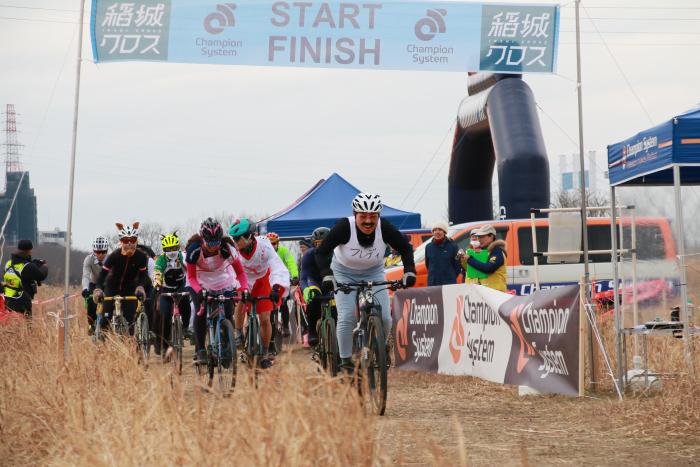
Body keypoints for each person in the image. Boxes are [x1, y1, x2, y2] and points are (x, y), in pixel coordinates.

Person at [315, 193, 416, 372]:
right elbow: (322, 252)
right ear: (355, 215)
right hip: (343, 272)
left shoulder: (384, 228)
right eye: (363, 216)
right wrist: (327, 275)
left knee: (385, 316)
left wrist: (409, 271)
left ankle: (381, 347)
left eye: (373, 216)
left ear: (379, 216)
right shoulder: (344, 227)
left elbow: (405, 248)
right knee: (347, 317)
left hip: (373, 272)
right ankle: (345, 360)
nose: (368, 221)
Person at [185, 218, 249, 364]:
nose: (214, 247)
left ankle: (226, 343)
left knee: (227, 310)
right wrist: (199, 291)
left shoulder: (227, 248)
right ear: (203, 239)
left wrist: (244, 288)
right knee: (200, 311)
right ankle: (200, 349)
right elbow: (191, 276)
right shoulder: (194, 249)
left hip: (221, 279)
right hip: (199, 280)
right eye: (210, 243)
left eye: (216, 242)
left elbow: (240, 273)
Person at [229, 219, 290, 369]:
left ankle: (264, 351)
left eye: (237, 238)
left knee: (264, 318)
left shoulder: (264, 245)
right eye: (233, 239)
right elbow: (228, 270)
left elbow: (277, 266)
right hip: (243, 279)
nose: (235, 242)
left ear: (250, 236)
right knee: (241, 301)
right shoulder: (233, 250)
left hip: (262, 279)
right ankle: (238, 333)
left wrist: (276, 287)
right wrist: (232, 286)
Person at [93, 223, 150, 333]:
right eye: (125, 240)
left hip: (129, 289)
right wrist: (98, 289)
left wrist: (140, 287)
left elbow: (143, 275)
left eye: (132, 240)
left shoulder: (141, 256)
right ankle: (102, 346)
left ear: (136, 241)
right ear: (120, 241)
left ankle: (130, 346)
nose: (129, 244)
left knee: (131, 321)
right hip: (112, 288)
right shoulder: (114, 255)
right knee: (105, 320)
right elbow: (102, 274)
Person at [154, 232, 191, 359]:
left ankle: (185, 327)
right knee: (164, 316)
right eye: (168, 249)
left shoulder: (183, 257)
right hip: (166, 289)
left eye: (174, 248)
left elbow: (190, 271)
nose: (171, 252)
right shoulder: (161, 260)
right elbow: (158, 272)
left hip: (181, 286)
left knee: (186, 300)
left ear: (178, 247)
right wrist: (157, 282)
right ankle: (164, 346)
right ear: (164, 250)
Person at [299, 226, 330, 347]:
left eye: (325, 243)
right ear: (313, 244)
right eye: (318, 243)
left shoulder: (336, 253)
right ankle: (312, 330)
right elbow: (303, 277)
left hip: (330, 280)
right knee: (313, 298)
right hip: (315, 281)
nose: (321, 246)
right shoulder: (308, 255)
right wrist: (306, 289)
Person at [3, 239, 48, 317]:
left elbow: (25, 267)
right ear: (30, 250)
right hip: (22, 302)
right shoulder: (26, 267)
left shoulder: (8, 263)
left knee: (11, 325)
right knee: (27, 326)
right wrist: (44, 266)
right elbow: (41, 276)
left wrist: (33, 263)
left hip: (8, 300)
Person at [267, 232, 299, 338]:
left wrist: (294, 276)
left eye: (274, 243)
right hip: (268, 280)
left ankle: (285, 326)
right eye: (270, 244)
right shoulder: (264, 252)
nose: (272, 246)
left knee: (284, 301)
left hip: (282, 280)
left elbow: (291, 263)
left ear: (278, 243)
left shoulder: (283, 251)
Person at [463, 224, 507, 292]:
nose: (479, 239)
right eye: (478, 237)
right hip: (485, 294)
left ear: (491, 236)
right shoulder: (484, 251)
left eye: (482, 237)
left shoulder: (497, 251)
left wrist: (469, 259)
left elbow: (488, 268)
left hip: (496, 295)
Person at [82, 236, 110, 332]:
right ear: (94, 251)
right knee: (91, 302)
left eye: (103, 252)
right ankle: (91, 324)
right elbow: (85, 276)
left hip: (107, 284)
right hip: (94, 283)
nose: (101, 255)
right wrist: (85, 289)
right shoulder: (88, 259)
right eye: (98, 252)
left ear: (107, 251)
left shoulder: (111, 259)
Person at [425, 222, 461, 286]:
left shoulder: (453, 246)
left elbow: (457, 266)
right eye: (435, 230)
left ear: (444, 232)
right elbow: (428, 265)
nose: (437, 232)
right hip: (433, 283)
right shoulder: (428, 247)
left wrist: (450, 278)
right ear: (433, 233)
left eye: (440, 229)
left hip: (449, 284)